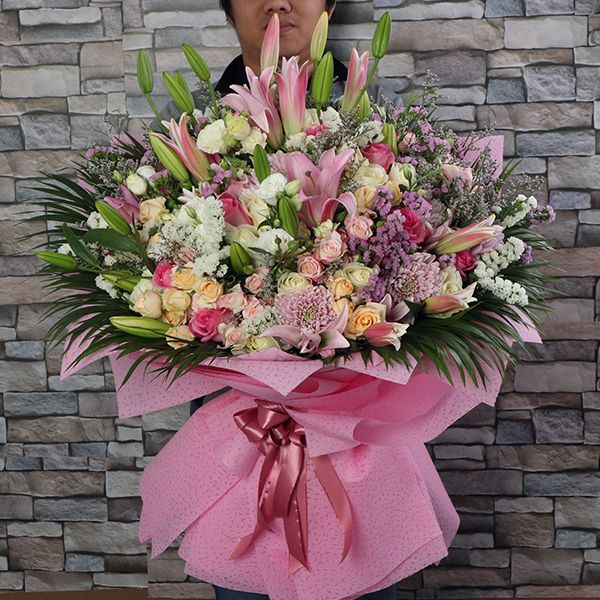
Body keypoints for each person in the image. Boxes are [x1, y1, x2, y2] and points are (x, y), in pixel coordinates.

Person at [158, 1, 400, 598]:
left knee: (362, 572)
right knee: (249, 575)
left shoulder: (379, 129)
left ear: (331, 5)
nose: (278, 3)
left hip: (358, 424)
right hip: (241, 422)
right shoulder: (191, 135)